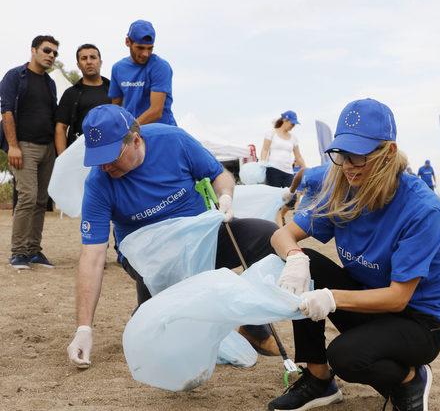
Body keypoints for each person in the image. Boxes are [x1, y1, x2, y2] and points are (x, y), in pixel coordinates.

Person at [266, 98, 440, 411]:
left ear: (389, 153)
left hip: (418, 321)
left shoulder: (423, 209)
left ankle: (411, 378)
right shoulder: (341, 184)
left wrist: (330, 297)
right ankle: (319, 379)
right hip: (369, 303)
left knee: (347, 357)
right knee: (306, 263)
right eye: (341, 153)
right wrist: (295, 258)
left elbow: (397, 298)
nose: (348, 164)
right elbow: (281, 235)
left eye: (359, 155)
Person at [66, 105, 280, 368]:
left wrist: (225, 196)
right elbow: (92, 256)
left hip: (202, 239)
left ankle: (252, 324)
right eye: (98, 158)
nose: (105, 165)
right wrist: (83, 328)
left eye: (112, 156)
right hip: (148, 256)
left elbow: (219, 175)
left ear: (135, 140)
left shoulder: (173, 140)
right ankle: (148, 312)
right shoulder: (98, 183)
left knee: (268, 237)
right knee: (159, 337)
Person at [0, 35, 59, 269]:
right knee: (27, 197)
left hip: (47, 149)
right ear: (33, 50)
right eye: (47, 50)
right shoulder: (15, 76)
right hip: (23, 146)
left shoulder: (50, 83)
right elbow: (7, 113)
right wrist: (13, 146)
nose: (51, 56)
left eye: (55, 53)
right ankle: (18, 252)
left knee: (41, 201)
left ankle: (34, 251)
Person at [109, 20, 176, 126]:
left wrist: (129, 130)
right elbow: (116, 109)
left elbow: (156, 111)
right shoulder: (117, 68)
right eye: (140, 48)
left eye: (150, 48)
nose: (145, 54)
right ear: (128, 42)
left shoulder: (160, 67)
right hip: (133, 134)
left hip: (160, 132)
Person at [54, 44, 111, 155]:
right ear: (78, 65)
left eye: (93, 57)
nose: (89, 62)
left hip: (111, 152)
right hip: (80, 155)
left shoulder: (114, 90)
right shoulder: (71, 93)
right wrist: (63, 158)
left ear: (100, 62)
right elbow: (60, 128)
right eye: (84, 58)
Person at [260, 110, 306, 226]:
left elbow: (298, 156)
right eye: (292, 123)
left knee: (292, 199)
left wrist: (306, 168)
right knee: (275, 199)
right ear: (285, 120)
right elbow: (265, 149)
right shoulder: (271, 133)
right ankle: (278, 227)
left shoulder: (293, 138)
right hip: (273, 170)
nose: (293, 126)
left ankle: (280, 216)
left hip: (288, 171)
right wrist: (262, 164)